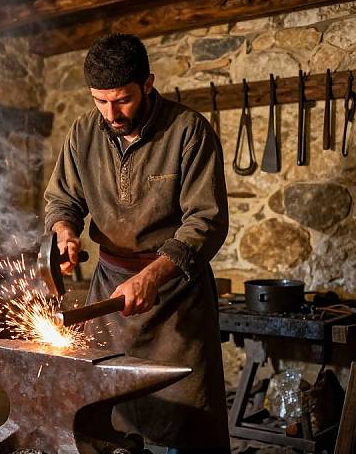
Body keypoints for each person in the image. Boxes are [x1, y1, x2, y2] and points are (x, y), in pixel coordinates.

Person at [44, 33, 230, 454]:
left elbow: (207, 220)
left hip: (175, 297)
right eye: (100, 101)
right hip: (109, 290)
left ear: (148, 83)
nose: (111, 113)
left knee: (185, 421)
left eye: (122, 100)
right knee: (108, 413)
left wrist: (152, 276)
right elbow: (62, 199)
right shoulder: (83, 133)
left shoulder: (188, 132)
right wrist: (65, 231)